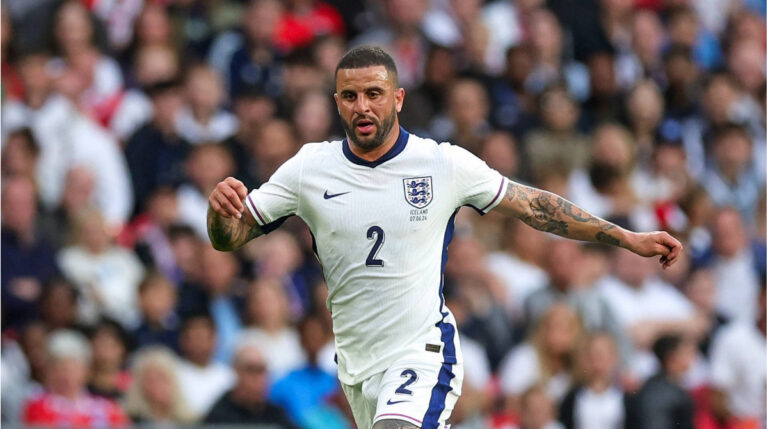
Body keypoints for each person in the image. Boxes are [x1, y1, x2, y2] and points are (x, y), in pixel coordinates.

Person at [206, 46, 683, 429]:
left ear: (398, 98)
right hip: (356, 363)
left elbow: (533, 206)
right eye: (350, 97)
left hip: (423, 350)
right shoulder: (310, 167)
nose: (362, 106)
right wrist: (219, 213)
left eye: (374, 93)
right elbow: (230, 239)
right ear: (337, 103)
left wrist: (625, 237)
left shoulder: (443, 164)